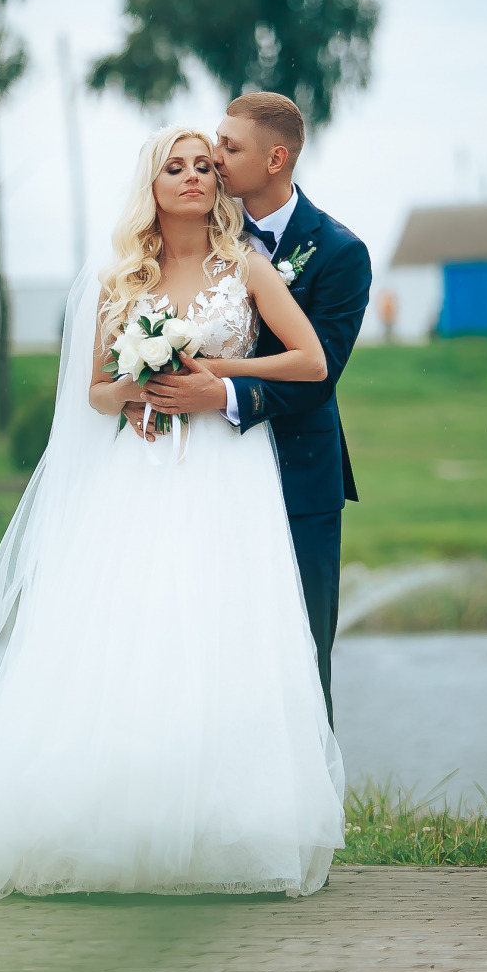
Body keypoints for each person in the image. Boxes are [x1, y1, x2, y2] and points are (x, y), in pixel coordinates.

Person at [0, 125, 345, 901]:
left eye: (203, 165)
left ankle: (230, 832)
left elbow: (311, 360)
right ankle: (114, 827)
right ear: (152, 183)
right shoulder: (121, 278)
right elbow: (95, 391)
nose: (194, 177)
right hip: (144, 474)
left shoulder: (249, 268)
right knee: (135, 636)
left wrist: (208, 376)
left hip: (228, 476)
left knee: (225, 633)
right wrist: (136, 387)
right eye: (176, 166)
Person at [140, 92, 372, 730]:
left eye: (228, 148)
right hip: (208, 475)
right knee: (217, 646)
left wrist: (222, 391)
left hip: (299, 475)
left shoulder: (339, 253)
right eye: (213, 144)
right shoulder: (207, 234)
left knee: (300, 648)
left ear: (276, 159)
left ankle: (310, 810)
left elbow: (318, 376)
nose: (212, 160)